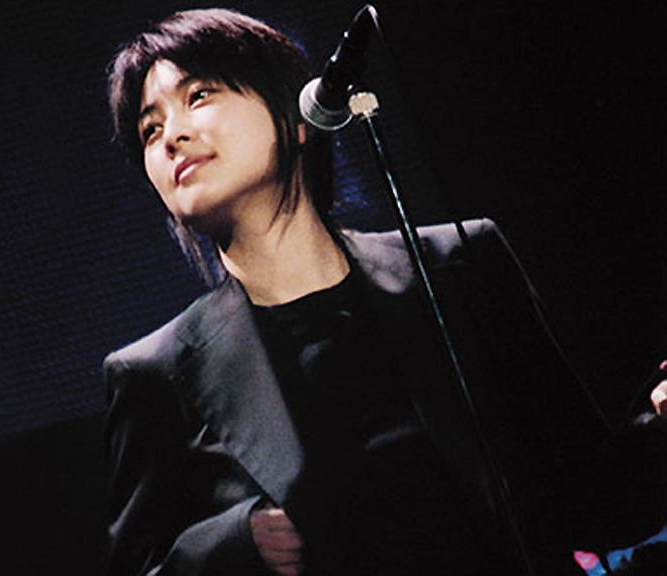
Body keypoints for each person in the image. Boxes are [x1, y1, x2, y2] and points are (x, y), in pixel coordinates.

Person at [103, 8, 667, 576]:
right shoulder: (155, 375)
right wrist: (233, 547)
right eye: (150, 129)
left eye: (199, 96)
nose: (172, 136)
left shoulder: (461, 264)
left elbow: (597, 498)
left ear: (299, 116)